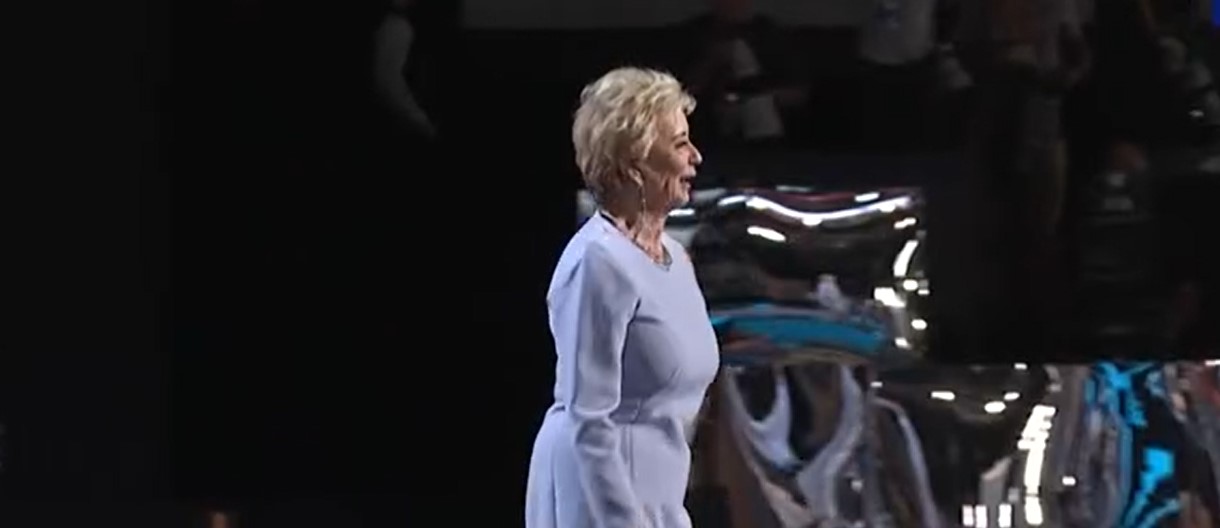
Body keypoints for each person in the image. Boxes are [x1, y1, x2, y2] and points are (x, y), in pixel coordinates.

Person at [524, 67, 721, 528]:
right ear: (633, 163)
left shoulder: (675, 257)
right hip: (597, 496)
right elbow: (589, 420)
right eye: (679, 144)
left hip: (659, 494)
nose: (695, 156)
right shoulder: (598, 262)